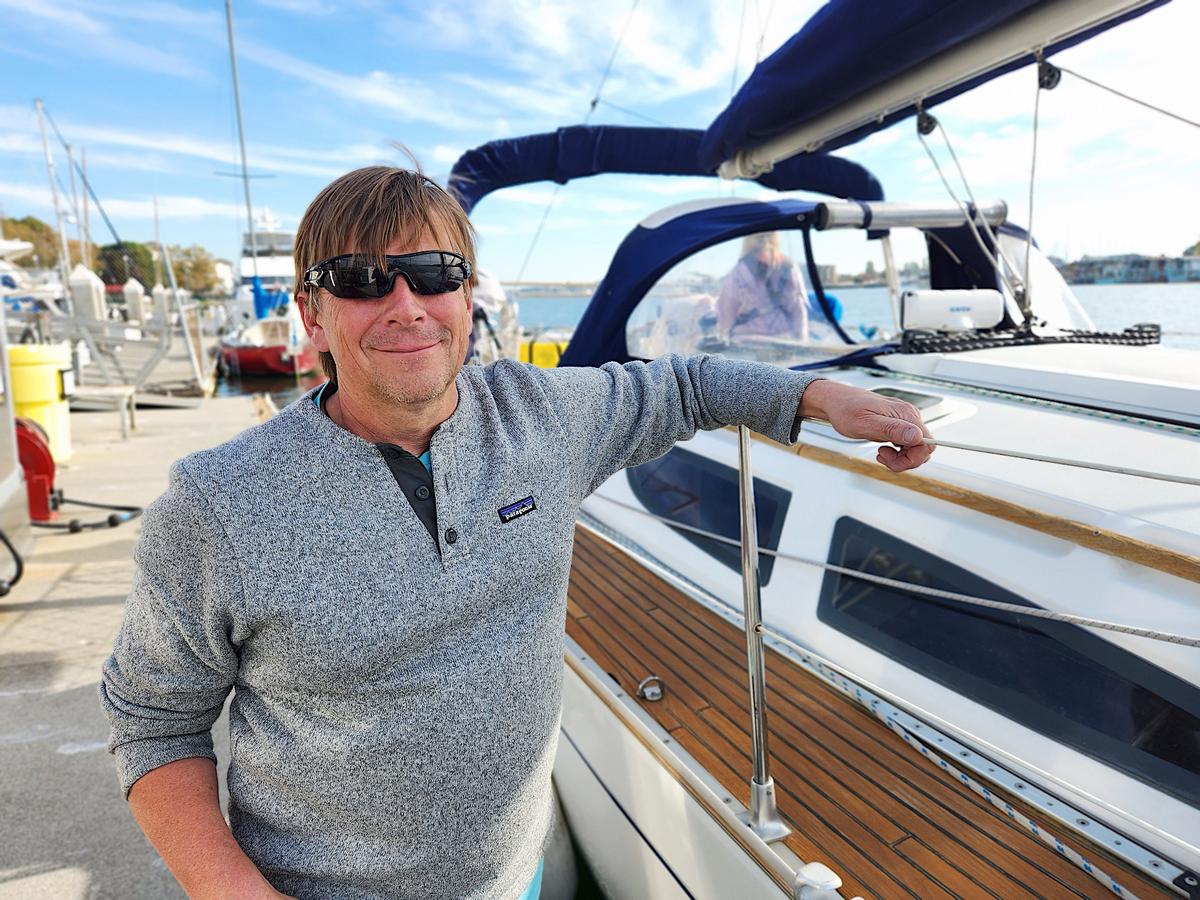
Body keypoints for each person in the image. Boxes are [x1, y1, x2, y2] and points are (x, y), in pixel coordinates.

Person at [100, 166, 934, 900]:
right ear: (313, 314)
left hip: (514, 879)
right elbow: (153, 722)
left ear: (469, 296)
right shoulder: (219, 503)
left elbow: (685, 386)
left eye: (433, 274)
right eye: (360, 280)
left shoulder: (544, 417)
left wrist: (822, 399)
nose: (406, 304)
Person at [717, 231, 809, 342]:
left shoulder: (739, 271)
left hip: (746, 342)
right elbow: (798, 309)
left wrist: (722, 335)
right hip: (784, 340)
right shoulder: (790, 267)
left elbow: (726, 315)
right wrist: (802, 341)